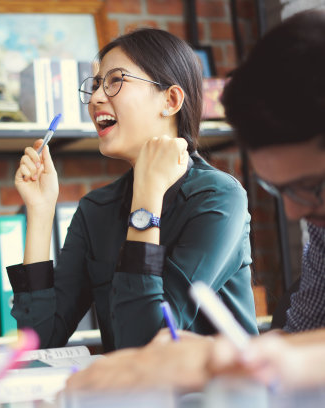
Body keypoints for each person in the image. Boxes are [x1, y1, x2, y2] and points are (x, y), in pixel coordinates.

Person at [66, 9, 325, 392]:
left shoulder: (216, 195)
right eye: (278, 190)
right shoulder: (321, 231)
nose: (294, 211)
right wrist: (219, 358)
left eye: (311, 186)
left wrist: (221, 360)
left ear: (171, 100)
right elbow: (307, 330)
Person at [7, 27, 258, 353]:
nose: (96, 97)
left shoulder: (219, 198)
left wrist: (147, 198)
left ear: (170, 100)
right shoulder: (96, 208)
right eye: (96, 84)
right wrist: (40, 212)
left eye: (115, 81)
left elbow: (147, 341)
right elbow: (39, 342)